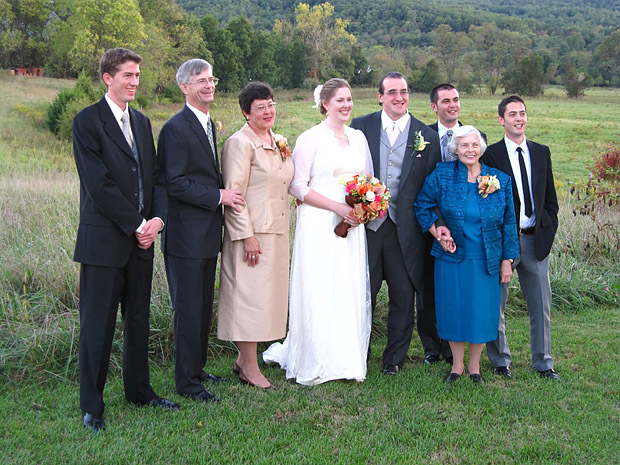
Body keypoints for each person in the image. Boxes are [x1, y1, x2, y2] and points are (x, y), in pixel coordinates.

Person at [72, 48, 178, 432]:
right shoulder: (87, 122)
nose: (134, 82)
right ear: (108, 78)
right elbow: (98, 185)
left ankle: (139, 391)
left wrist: (157, 222)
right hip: (104, 243)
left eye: (137, 75)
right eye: (128, 75)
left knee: (138, 320)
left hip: (143, 241)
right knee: (97, 326)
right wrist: (137, 224)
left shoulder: (143, 121)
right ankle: (92, 406)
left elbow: (155, 180)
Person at [263, 78, 373, 385]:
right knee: (321, 284)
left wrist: (363, 208)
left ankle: (346, 359)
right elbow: (297, 185)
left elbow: (369, 179)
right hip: (319, 221)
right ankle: (315, 357)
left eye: (349, 99)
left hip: (352, 223)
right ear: (325, 104)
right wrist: (338, 208)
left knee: (346, 285)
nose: (346, 105)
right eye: (340, 100)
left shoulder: (359, 138)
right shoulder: (311, 138)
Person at [158, 59, 246, 403]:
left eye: (211, 79)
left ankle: (197, 369)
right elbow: (173, 182)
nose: (209, 85)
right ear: (184, 87)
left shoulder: (208, 124)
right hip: (184, 237)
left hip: (207, 236)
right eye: (200, 81)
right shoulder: (175, 129)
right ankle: (187, 383)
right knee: (188, 309)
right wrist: (218, 196)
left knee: (202, 308)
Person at [350, 72, 445, 374]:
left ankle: (393, 359)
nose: (399, 97)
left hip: (406, 230)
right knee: (364, 291)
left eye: (403, 91)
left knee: (404, 295)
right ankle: (356, 352)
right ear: (379, 96)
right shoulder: (360, 127)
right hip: (368, 226)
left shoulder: (426, 136)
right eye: (391, 92)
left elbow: (432, 187)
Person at [415, 125, 519, 383]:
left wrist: (508, 260)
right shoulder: (442, 174)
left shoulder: (500, 179)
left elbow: (509, 223)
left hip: (487, 259)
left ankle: (475, 368)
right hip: (451, 257)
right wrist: (437, 231)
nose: (470, 150)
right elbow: (422, 205)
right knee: (453, 310)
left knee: (481, 312)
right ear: (455, 150)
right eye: (464, 146)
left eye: (474, 145)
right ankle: (456, 366)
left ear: (481, 148)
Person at [217, 82, 294, 389]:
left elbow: (284, 180)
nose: (267, 111)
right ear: (246, 112)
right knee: (248, 299)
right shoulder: (240, 143)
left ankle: (242, 360)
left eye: (271, 104)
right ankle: (249, 366)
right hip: (253, 233)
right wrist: (246, 235)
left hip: (277, 230)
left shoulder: (279, 141)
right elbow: (234, 194)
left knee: (267, 299)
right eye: (260, 107)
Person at [483, 95, 560, 380]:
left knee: (541, 306)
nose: (519, 118)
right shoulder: (490, 155)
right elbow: (488, 202)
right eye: (512, 114)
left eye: (522, 113)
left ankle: (544, 362)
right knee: (496, 302)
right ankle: (500, 360)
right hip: (504, 240)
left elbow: (550, 199)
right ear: (501, 119)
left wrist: (548, 228)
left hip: (534, 240)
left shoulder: (541, 152)